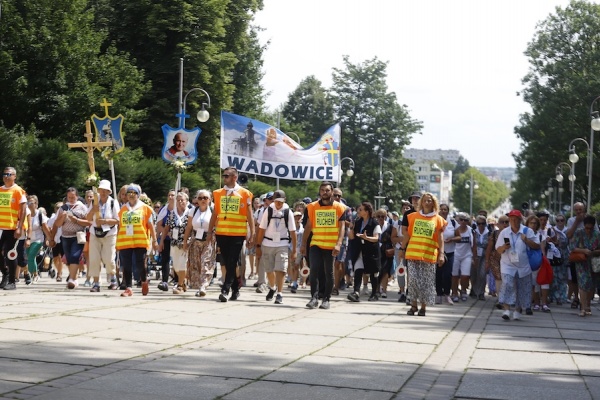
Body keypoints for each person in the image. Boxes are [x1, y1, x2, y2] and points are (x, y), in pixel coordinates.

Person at [208, 167, 255, 302]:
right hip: (222, 233)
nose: (224, 178)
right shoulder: (217, 193)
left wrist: (252, 233)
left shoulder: (245, 194)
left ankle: (225, 289)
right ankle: (235, 288)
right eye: (224, 176)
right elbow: (215, 214)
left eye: (227, 176)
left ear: (235, 177)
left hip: (238, 234)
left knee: (232, 260)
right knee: (229, 263)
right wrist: (210, 232)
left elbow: (249, 215)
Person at [400, 192, 447, 317]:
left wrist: (441, 254)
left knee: (426, 282)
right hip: (413, 254)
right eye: (425, 200)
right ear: (421, 202)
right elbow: (408, 234)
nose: (427, 202)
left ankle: (423, 308)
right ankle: (413, 305)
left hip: (429, 255)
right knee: (413, 280)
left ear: (434, 203)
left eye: (430, 200)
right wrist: (402, 248)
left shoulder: (438, 219)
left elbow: (440, 238)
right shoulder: (413, 217)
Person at [300, 181, 346, 310]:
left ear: (332, 192)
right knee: (314, 270)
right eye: (322, 190)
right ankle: (314, 298)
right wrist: (303, 244)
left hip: (331, 246)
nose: (324, 193)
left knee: (329, 272)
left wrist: (338, 244)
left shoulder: (340, 208)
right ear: (319, 192)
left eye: (327, 190)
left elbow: (342, 228)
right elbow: (308, 226)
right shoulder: (312, 207)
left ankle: (326, 299)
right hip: (316, 243)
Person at [495, 209, 539, 321]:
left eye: (516, 219)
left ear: (520, 220)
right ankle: (506, 309)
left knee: (522, 287)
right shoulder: (504, 232)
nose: (513, 222)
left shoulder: (527, 231)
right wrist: (504, 247)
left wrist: (527, 240)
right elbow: (498, 249)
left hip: (523, 265)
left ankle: (518, 310)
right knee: (508, 284)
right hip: (507, 264)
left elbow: (537, 246)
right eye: (511, 219)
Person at [115, 183, 158, 297]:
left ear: (138, 195)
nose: (131, 195)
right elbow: (120, 225)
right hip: (125, 241)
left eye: (134, 193)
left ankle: (143, 280)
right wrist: (117, 241)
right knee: (126, 265)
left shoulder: (145, 208)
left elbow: (151, 225)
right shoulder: (123, 209)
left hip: (140, 240)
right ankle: (128, 288)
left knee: (140, 264)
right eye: (129, 193)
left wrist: (154, 241)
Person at [255, 190, 297, 304]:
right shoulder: (268, 211)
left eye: (281, 201)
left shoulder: (288, 212)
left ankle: (280, 293)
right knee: (269, 270)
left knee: (281, 269)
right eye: (277, 201)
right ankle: (272, 287)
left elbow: (293, 232)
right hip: (267, 243)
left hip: (282, 244)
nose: (279, 204)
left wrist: (294, 249)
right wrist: (258, 246)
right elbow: (262, 229)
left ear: (285, 200)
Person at [49, 187, 91, 290]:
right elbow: (56, 224)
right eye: (69, 197)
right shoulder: (63, 208)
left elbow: (89, 222)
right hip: (65, 237)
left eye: (73, 197)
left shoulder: (82, 208)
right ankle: (74, 278)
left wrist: (76, 220)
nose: (71, 199)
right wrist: (62, 218)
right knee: (68, 258)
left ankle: (72, 279)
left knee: (74, 256)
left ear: (77, 196)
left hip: (78, 236)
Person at [85, 180, 120, 292]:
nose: (103, 193)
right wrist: (93, 211)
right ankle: (96, 283)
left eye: (105, 191)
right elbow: (88, 218)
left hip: (109, 234)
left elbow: (117, 220)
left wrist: (104, 221)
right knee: (94, 259)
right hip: (95, 233)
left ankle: (113, 278)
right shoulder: (94, 201)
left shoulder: (113, 203)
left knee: (108, 259)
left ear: (109, 192)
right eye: (101, 190)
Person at [183, 190, 216, 297]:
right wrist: (185, 241)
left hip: (209, 239)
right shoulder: (193, 211)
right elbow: (189, 227)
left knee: (206, 262)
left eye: (205, 198)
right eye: (200, 198)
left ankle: (204, 286)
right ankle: (198, 285)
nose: (203, 200)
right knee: (196, 263)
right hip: (195, 239)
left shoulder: (214, 210)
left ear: (210, 199)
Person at [0, 167, 28, 290]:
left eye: (9, 174)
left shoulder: (18, 191)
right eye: (5, 174)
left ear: (14, 176)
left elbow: (22, 211)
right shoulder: (0, 190)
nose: (6, 176)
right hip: (1, 227)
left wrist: (19, 227)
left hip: (12, 227)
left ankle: (12, 281)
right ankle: (5, 274)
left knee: (10, 254)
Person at [346, 202, 381, 302]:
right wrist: (351, 229)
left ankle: (374, 293)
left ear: (366, 211)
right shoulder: (357, 222)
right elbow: (352, 237)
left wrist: (366, 237)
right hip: (360, 251)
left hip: (371, 252)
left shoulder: (374, 223)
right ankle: (356, 292)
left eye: (361, 209)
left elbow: (376, 238)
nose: (358, 211)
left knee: (373, 273)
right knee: (358, 269)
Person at [159, 191, 191, 294]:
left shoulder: (190, 213)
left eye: (182, 200)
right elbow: (166, 228)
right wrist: (162, 241)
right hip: (174, 242)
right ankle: (183, 282)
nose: (180, 202)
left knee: (183, 264)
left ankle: (180, 285)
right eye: (178, 200)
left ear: (187, 201)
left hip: (186, 243)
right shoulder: (172, 213)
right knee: (176, 266)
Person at [568, 215, 600, 317]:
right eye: (587, 227)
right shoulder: (579, 233)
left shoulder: (597, 234)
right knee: (582, 283)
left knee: (591, 285)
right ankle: (582, 307)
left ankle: (588, 305)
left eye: (591, 228)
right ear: (584, 225)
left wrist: (593, 252)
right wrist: (584, 250)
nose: (588, 230)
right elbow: (572, 247)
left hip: (593, 262)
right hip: (581, 262)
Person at [450, 212, 476, 302]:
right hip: (456, 254)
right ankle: (454, 292)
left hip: (467, 255)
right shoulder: (455, 229)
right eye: (461, 220)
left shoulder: (470, 230)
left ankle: (463, 290)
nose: (463, 222)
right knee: (454, 275)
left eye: (466, 220)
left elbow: (474, 244)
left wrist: (474, 257)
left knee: (465, 275)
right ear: (458, 220)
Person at [26, 195, 51, 284]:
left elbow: (45, 228)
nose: (28, 204)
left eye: (31, 202)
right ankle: (33, 274)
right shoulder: (25, 214)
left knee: (31, 256)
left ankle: (33, 275)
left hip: (38, 239)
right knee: (29, 257)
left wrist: (49, 239)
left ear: (36, 204)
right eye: (27, 202)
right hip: (27, 239)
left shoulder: (39, 215)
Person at [155, 189, 176, 291]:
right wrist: (166, 235)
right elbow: (159, 226)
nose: (171, 197)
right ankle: (164, 281)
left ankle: (178, 281)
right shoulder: (164, 210)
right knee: (165, 260)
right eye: (169, 195)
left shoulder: (181, 209)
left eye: (173, 195)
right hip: (166, 238)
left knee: (177, 261)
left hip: (178, 239)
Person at [437, 203, 455, 304]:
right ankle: (439, 294)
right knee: (438, 274)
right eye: (441, 209)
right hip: (438, 251)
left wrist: (452, 239)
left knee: (448, 275)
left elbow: (459, 236)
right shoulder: (435, 220)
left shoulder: (452, 222)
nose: (443, 211)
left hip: (450, 252)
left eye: (445, 209)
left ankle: (447, 294)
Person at [471, 215, 490, 300]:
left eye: (483, 223)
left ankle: (481, 292)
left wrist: (487, 260)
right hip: (475, 255)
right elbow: (473, 245)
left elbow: (490, 246)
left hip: (485, 255)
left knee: (482, 274)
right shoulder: (474, 232)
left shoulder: (489, 232)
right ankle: (474, 291)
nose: (481, 225)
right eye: (479, 223)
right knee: (474, 274)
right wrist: (474, 257)